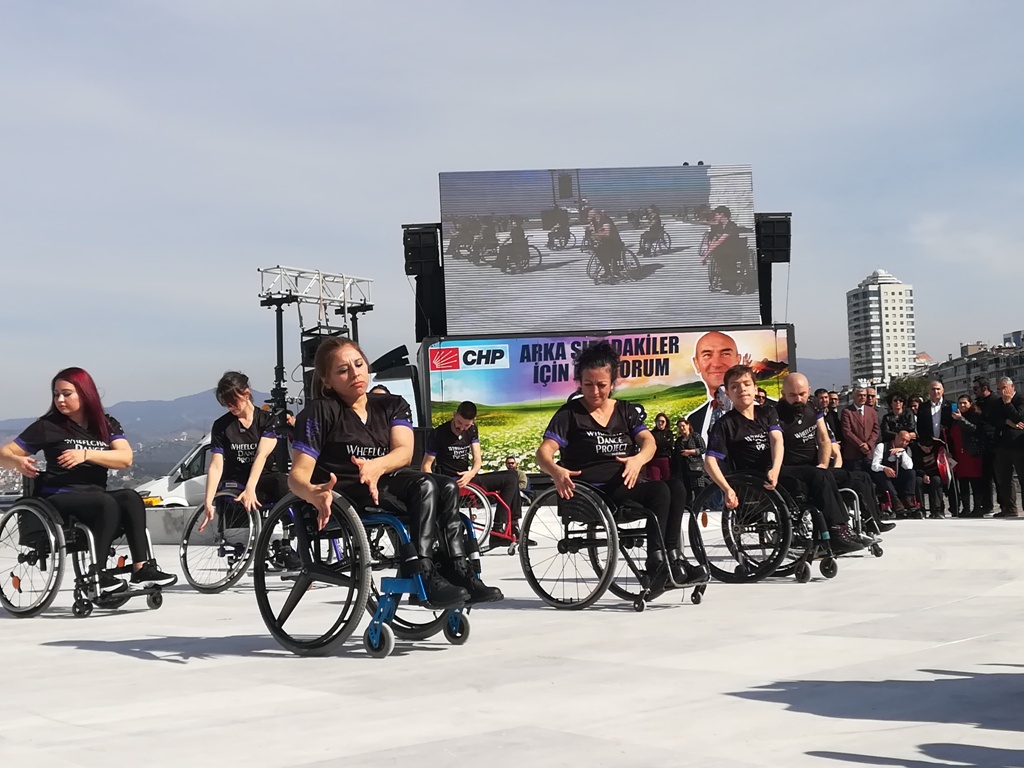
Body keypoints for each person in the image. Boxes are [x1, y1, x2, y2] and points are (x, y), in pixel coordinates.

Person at [289, 338, 501, 606]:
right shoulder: (319, 411)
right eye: (343, 370)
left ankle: (458, 570)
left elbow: (404, 452)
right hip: (350, 492)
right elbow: (297, 475)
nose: (355, 373)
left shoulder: (391, 404)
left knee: (446, 485)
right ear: (327, 381)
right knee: (425, 486)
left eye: (358, 364)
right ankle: (422, 575)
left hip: (387, 481)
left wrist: (376, 466)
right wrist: (312, 492)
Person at [536, 341, 707, 593]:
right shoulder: (570, 414)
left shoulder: (624, 411)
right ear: (579, 383)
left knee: (677, 488)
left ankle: (673, 557)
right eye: (588, 385)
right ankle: (656, 562)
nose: (595, 391)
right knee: (660, 492)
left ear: (613, 383)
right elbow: (543, 453)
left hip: (627, 483)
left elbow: (647, 441)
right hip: (595, 491)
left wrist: (638, 459)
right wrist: (555, 469)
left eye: (602, 385)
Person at [0, 367, 177, 593]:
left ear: (84, 394)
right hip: (59, 496)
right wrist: (17, 462)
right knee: (106, 503)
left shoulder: (105, 424)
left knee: (131, 498)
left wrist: (86, 454)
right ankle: (98, 574)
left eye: (66, 393)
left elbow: (125, 458)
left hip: (94, 494)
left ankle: (142, 569)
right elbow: (4, 453)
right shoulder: (47, 426)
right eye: (56, 394)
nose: (60, 400)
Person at [201, 372, 299, 567]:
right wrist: (208, 499)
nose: (231, 407)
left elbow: (261, 455)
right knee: (233, 491)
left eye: (233, 402)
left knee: (284, 483)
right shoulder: (222, 426)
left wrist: (251, 488)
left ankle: (286, 544)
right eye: (226, 404)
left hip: (262, 476)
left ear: (246, 394)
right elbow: (216, 464)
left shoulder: (266, 420)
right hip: (235, 479)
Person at [771, 373, 868, 552]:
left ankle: (849, 527)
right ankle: (836, 531)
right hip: (788, 468)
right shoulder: (776, 413)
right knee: (819, 475)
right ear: (783, 393)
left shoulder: (813, 408)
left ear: (808, 392)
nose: (798, 399)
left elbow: (823, 438)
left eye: (802, 394)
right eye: (792, 395)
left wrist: (824, 464)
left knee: (846, 476)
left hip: (811, 467)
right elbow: (777, 442)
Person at [421, 401, 523, 534]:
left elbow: (477, 459)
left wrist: (471, 473)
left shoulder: (472, 429)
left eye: (467, 425)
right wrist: (437, 487)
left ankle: (508, 525)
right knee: (511, 478)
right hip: (450, 481)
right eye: (459, 423)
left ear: (473, 421)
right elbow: (426, 466)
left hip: (469, 478)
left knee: (512, 476)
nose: (462, 428)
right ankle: (500, 529)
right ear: (454, 415)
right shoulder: (438, 434)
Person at [686, 331, 752, 444]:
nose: (716, 364)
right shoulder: (694, 419)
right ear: (696, 364)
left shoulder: (768, 411)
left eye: (725, 354)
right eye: (707, 355)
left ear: (738, 360)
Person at [993, 376, 1024, 518]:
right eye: (999, 389)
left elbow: (1018, 417)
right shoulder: (998, 402)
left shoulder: (1020, 399)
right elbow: (993, 420)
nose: (1001, 392)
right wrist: (1007, 421)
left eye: (1003, 388)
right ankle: (1009, 507)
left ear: (1012, 387)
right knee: (1005, 478)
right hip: (1002, 445)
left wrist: (1008, 404)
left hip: (1018, 445)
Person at [950, 395, 986, 517]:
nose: (962, 406)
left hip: (972, 453)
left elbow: (974, 429)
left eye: (965, 403)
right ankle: (965, 508)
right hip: (959, 454)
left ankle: (977, 508)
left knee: (975, 481)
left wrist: (961, 419)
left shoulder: (975, 415)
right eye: (960, 403)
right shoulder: (955, 417)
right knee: (963, 482)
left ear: (970, 404)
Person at [871, 430, 917, 515]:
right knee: (880, 474)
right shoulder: (882, 446)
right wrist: (884, 468)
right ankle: (895, 500)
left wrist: (903, 453)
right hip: (886, 479)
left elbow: (909, 467)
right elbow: (874, 465)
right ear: (896, 437)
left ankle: (908, 499)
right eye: (902, 440)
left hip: (898, 477)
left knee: (912, 473)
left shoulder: (907, 450)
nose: (904, 443)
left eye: (907, 441)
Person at [841, 383, 880, 473]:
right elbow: (847, 431)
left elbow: (876, 430)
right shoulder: (847, 412)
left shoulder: (872, 411)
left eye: (864, 395)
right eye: (860, 395)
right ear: (854, 397)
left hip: (869, 454)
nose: (862, 397)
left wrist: (869, 445)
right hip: (853, 454)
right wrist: (861, 445)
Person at [672, 418, 707, 499]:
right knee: (686, 491)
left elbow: (703, 449)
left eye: (683, 426)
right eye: (679, 427)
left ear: (688, 426)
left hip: (695, 467)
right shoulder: (678, 440)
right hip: (683, 469)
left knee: (699, 490)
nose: (681, 428)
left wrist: (690, 452)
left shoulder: (695, 436)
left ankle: (702, 507)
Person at [916, 381, 954, 446]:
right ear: (929, 391)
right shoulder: (922, 407)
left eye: (938, 389)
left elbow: (956, 423)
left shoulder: (953, 405)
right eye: (933, 389)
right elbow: (920, 426)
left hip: (948, 442)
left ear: (943, 390)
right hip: (930, 444)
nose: (936, 392)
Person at [592, 210, 625, 283]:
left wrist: (597, 234)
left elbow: (607, 234)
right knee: (599, 251)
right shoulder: (600, 222)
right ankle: (609, 270)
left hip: (615, 244)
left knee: (603, 253)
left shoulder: (607, 222)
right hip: (608, 243)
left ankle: (610, 271)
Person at [648, 412, 674, 480]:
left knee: (667, 480)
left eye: (662, 421)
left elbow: (669, 444)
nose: (660, 423)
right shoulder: (651, 433)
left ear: (666, 422)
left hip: (666, 460)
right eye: (658, 421)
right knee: (655, 481)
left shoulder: (669, 433)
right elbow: (651, 445)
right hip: (654, 460)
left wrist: (658, 444)